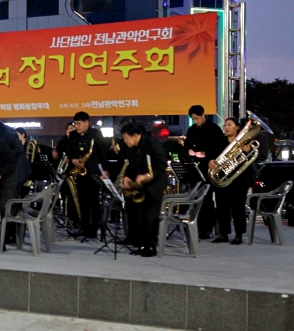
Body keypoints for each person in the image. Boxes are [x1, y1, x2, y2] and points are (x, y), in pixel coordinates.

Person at [119, 122, 168, 256]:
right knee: (139, 217)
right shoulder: (131, 148)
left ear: (135, 135)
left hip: (154, 185)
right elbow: (130, 165)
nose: (125, 141)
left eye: (126, 138)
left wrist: (146, 176)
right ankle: (141, 245)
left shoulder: (152, 143)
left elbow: (161, 165)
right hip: (140, 186)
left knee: (150, 217)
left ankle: (151, 246)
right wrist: (126, 177)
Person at [180, 104, 228, 239]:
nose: (195, 121)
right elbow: (187, 147)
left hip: (210, 167)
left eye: (197, 118)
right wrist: (189, 152)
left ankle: (208, 228)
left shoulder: (213, 129)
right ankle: (200, 227)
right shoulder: (191, 130)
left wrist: (205, 155)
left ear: (203, 115)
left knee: (207, 199)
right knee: (198, 198)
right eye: (193, 119)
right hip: (196, 168)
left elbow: (220, 148)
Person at [66, 111, 109, 238]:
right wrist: (73, 160)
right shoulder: (73, 135)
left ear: (86, 123)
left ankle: (94, 229)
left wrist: (105, 170)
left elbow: (103, 153)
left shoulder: (96, 134)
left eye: (79, 124)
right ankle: (84, 228)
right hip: (79, 172)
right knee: (82, 202)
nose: (76, 126)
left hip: (93, 172)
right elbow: (69, 151)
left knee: (94, 202)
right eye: (75, 124)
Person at [213, 118, 254, 245]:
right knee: (222, 207)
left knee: (238, 207)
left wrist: (248, 151)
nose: (226, 127)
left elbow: (254, 157)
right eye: (225, 125)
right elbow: (213, 157)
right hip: (223, 178)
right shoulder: (219, 142)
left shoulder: (245, 142)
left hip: (239, 180)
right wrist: (211, 162)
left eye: (230, 125)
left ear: (237, 127)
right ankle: (223, 234)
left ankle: (238, 235)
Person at [0, 111, 31, 197]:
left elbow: (19, 149)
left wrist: (5, 156)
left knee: (11, 202)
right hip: (11, 171)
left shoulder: (8, 133)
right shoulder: (0, 132)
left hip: (17, 172)